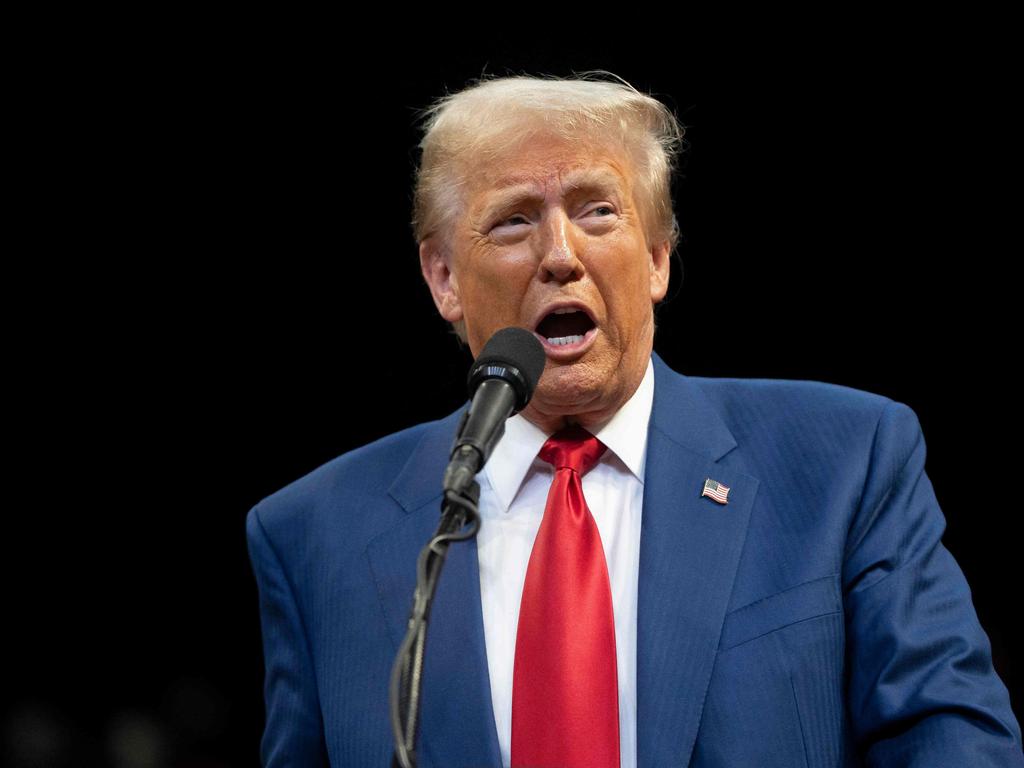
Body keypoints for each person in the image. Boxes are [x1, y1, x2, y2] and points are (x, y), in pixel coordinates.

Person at [245, 73, 1023, 767]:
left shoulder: (844, 464)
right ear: (444, 276)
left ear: (657, 256)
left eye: (598, 211)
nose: (560, 255)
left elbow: (949, 738)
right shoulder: (317, 537)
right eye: (514, 222)